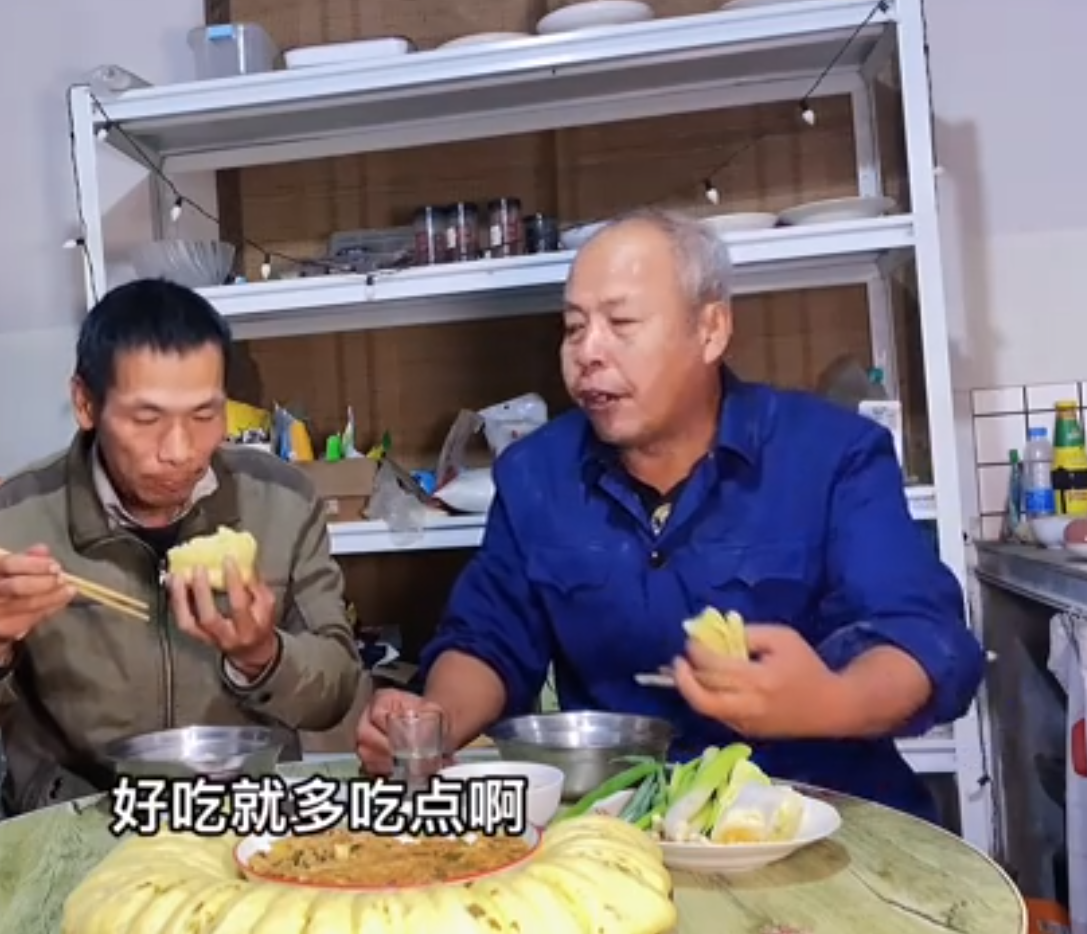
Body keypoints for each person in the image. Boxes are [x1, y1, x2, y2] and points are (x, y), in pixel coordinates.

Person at [356, 209, 986, 821]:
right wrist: (432, 721)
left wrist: (831, 700)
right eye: (574, 327)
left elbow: (923, 638)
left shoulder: (831, 454)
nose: (587, 352)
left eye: (621, 322)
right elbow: (488, 640)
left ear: (710, 330)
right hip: (622, 823)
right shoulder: (536, 475)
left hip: (818, 822)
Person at [0, 278, 362, 814]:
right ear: (85, 403)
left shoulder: (282, 502)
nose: (180, 450)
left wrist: (263, 656)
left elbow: (337, 694)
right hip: (80, 831)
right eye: (147, 418)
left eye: (204, 415)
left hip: (245, 825)